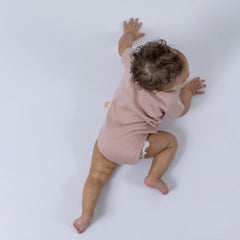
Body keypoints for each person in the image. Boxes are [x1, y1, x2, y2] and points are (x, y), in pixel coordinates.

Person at [73, 17, 207, 234]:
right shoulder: (170, 99)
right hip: (136, 147)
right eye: (183, 80)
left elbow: (123, 46)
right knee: (171, 142)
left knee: (95, 177)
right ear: (165, 90)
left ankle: (85, 215)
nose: (188, 77)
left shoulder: (132, 62)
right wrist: (188, 92)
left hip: (107, 143)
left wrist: (129, 35)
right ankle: (153, 177)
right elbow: (181, 112)